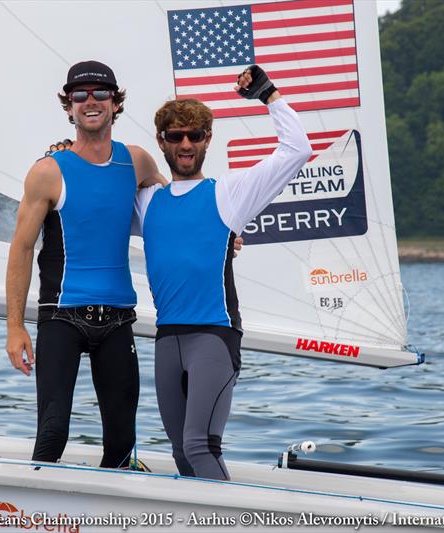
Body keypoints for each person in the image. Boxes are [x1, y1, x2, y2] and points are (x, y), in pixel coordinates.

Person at [133, 66, 312, 480]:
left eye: (195, 135)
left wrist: (268, 95)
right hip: (166, 340)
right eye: (176, 135)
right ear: (161, 141)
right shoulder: (146, 203)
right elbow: (94, 195)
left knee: (199, 445)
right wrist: (66, 153)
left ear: (208, 139)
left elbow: (297, 150)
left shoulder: (229, 193)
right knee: (180, 453)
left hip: (213, 337)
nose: (186, 143)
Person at [5, 61, 167, 468]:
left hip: (117, 319)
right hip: (61, 316)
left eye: (100, 93)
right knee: (54, 431)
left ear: (115, 103)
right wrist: (14, 327)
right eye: (80, 95)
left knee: (122, 439)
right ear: (69, 108)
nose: (90, 101)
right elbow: (22, 250)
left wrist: (224, 237)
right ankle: (32, 511)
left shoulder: (138, 162)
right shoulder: (47, 172)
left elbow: (177, 212)